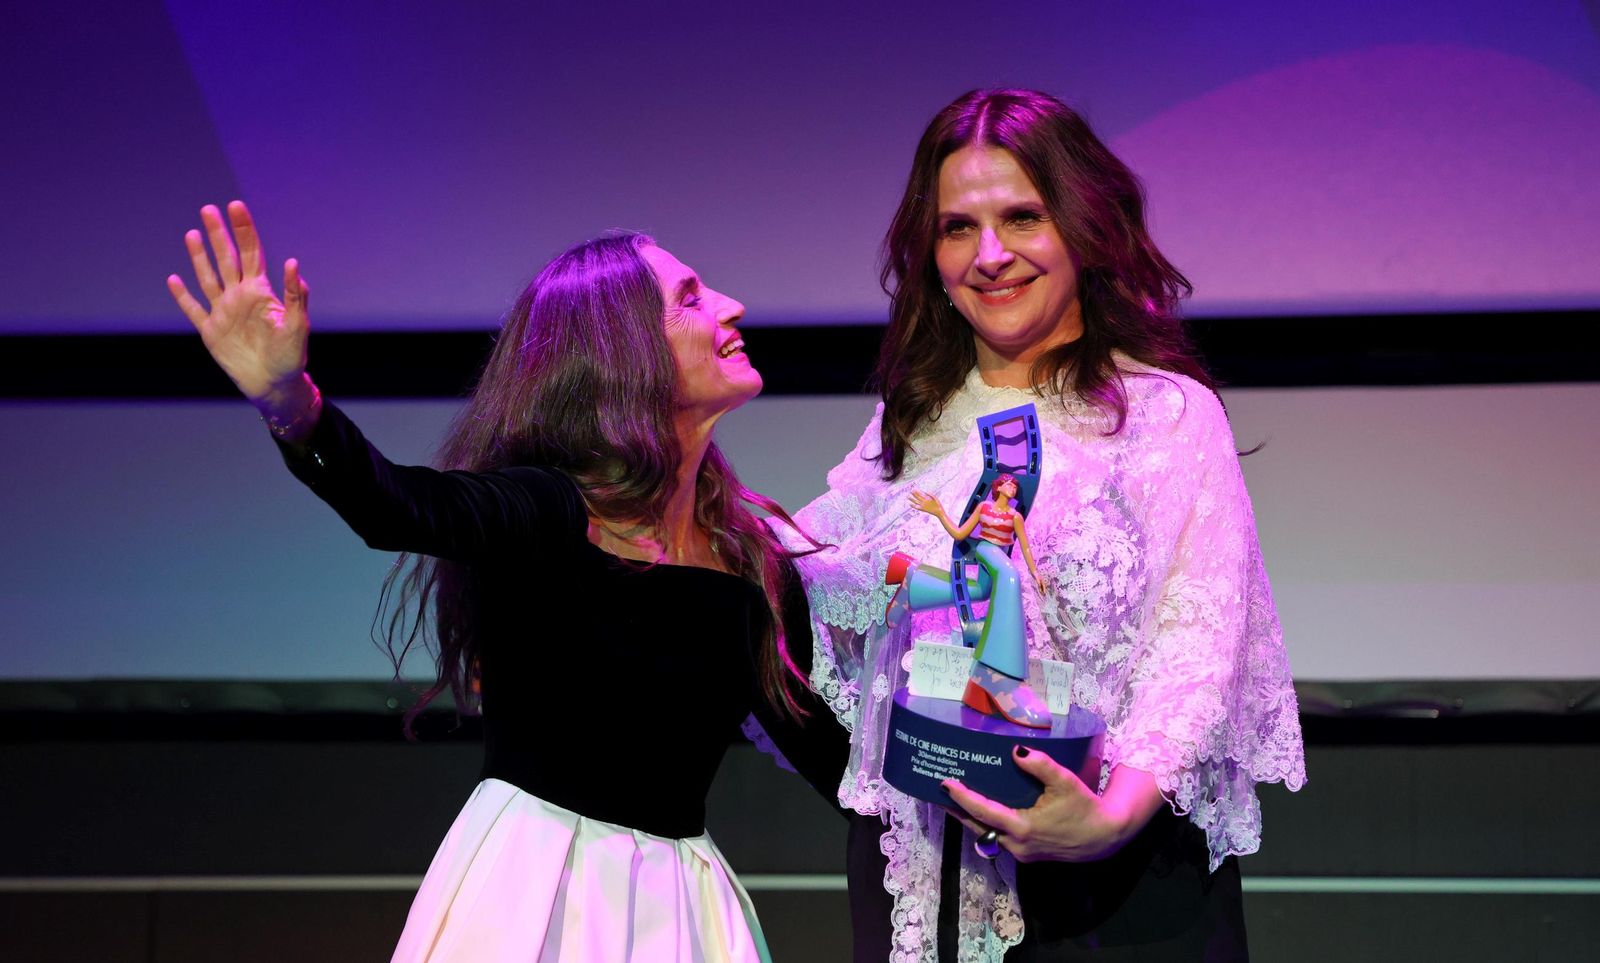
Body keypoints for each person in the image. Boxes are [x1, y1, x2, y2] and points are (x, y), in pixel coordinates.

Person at [167, 202, 847, 962]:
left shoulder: (750, 564)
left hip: (681, 912)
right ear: (623, 351)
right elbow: (395, 505)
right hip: (536, 887)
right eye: (690, 297)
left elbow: (841, 769)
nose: (731, 306)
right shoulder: (549, 511)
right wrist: (290, 403)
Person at [785, 89, 1307, 960]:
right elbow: (811, 566)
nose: (990, 255)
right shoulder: (909, 426)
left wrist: (1106, 817)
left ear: (1084, 228)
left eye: (1022, 216)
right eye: (958, 227)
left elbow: (1197, 646)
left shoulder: (1164, 417)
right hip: (935, 875)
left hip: (1117, 883)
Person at [887, 473, 1050, 728]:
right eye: (1008, 483)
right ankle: (999, 673)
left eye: (1015, 485)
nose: (1012, 487)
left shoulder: (1015, 517)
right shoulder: (984, 508)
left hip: (999, 552)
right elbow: (961, 533)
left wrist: (1036, 572)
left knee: (979, 591)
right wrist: (938, 511)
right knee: (1009, 577)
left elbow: (1026, 547)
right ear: (998, 487)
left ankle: (915, 585)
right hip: (985, 550)